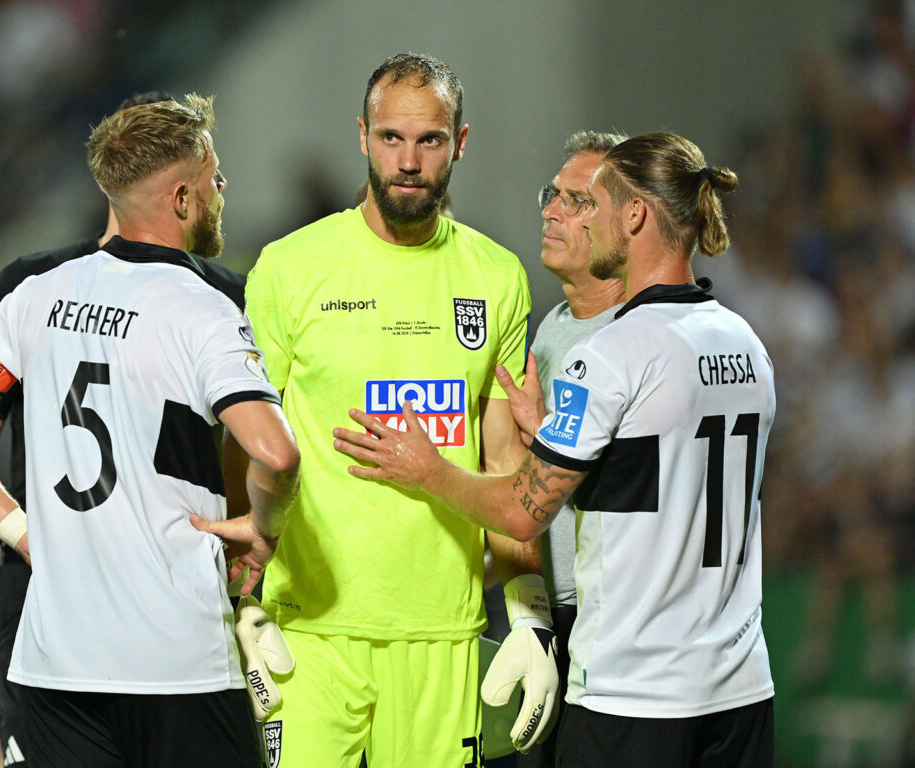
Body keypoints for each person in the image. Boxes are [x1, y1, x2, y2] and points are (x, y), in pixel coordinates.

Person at [334, 131, 776, 768]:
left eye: (591, 203)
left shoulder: (612, 354)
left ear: (634, 215)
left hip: (637, 688)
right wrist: (551, 432)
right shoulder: (744, 343)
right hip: (739, 685)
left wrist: (427, 469)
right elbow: (658, 476)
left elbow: (522, 512)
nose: (573, 218)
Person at [0, 93, 300, 767]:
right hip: (164, 643)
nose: (223, 194)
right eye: (216, 181)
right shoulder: (215, 304)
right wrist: (263, 530)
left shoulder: (30, 293)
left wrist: (12, 535)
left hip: (56, 646)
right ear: (181, 197)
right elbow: (270, 452)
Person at [243, 52, 557, 768]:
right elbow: (241, 442)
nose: (408, 161)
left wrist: (531, 612)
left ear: (461, 141)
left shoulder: (497, 278)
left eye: (430, 140)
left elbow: (506, 461)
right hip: (311, 636)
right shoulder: (290, 269)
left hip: (443, 635)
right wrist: (241, 602)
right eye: (391, 138)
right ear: (362, 136)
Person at [494, 129, 626, 768]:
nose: (550, 211)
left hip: (620, 620)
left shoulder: (639, 333)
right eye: (552, 195)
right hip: (561, 610)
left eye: (576, 201)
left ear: (627, 220)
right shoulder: (553, 325)